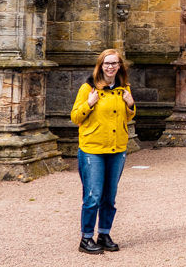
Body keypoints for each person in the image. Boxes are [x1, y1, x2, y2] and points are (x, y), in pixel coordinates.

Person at [70, 49, 136, 254]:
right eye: (107, 63)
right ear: (100, 66)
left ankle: (104, 234)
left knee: (110, 196)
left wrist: (131, 104)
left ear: (119, 66)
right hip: (93, 149)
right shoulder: (88, 88)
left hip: (117, 148)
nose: (110, 67)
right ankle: (86, 238)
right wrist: (89, 104)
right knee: (93, 195)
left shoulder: (124, 88)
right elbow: (75, 117)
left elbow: (125, 118)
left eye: (114, 63)